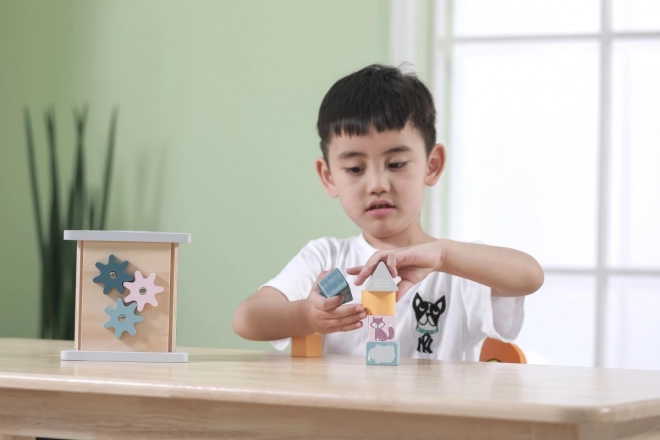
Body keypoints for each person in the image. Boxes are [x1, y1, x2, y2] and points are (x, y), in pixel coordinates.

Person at [233, 64, 544, 359]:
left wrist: (443, 256)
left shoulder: (455, 267)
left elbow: (530, 275)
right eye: (355, 168)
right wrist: (306, 315)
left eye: (396, 164)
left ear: (432, 165)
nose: (377, 184)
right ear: (329, 177)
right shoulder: (325, 259)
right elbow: (247, 318)